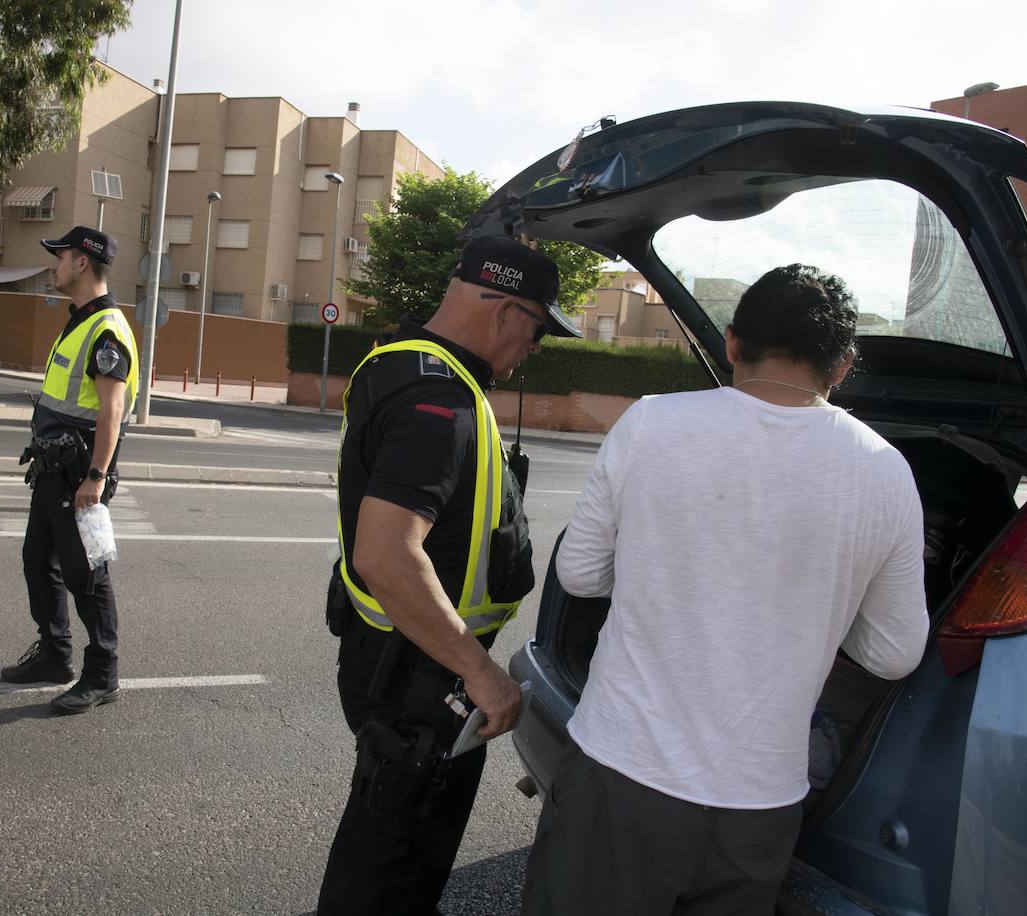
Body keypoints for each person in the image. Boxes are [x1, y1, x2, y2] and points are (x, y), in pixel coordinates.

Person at [521, 264, 930, 916]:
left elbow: (580, 574)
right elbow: (895, 653)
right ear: (844, 366)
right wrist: (820, 603)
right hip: (760, 805)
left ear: (734, 343)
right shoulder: (885, 472)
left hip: (623, 774)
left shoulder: (652, 423)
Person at [316, 236, 581, 915]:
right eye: (540, 329)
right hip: (421, 677)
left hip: (406, 663)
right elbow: (386, 553)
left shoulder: (403, 366)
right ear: (506, 313)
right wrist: (479, 670)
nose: (537, 348)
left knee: (405, 850)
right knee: (384, 864)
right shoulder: (441, 401)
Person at [0, 225, 139, 715]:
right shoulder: (79, 321)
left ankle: (103, 674)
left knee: (87, 574)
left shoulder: (107, 329)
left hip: (80, 472)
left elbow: (112, 410)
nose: (53, 265)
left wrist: (96, 478)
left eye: (59, 257)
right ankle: (55, 654)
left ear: (82, 262)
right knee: (39, 560)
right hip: (53, 468)